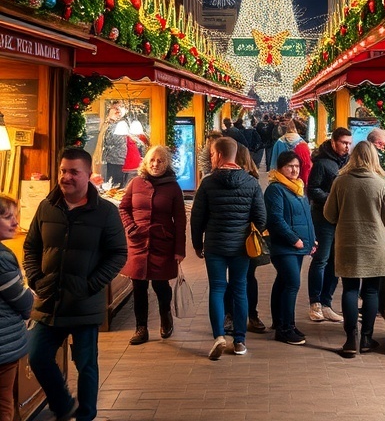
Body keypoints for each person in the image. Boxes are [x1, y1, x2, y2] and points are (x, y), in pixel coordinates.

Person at [24, 146, 127, 421]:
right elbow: (31, 246)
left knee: (86, 366)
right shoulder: (47, 206)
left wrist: (91, 285)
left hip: (84, 303)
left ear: (88, 175)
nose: (65, 177)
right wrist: (35, 278)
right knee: (37, 356)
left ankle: (86, 415)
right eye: (62, 171)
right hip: (49, 302)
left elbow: (118, 253)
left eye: (73, 172)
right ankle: (62, 404)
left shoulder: (104, 212)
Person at [190, 136, 266, 359]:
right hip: (242, 247)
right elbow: (261, 218)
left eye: (212, 154)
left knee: (217, 288)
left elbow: (197, 217)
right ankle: (240, 341)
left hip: (215, 245)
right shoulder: (251, 182)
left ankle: (219, 337)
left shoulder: (208, 182)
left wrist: (197, 243)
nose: (211, 158)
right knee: (239, 289)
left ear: (220, 155)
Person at [324, 141, 385, 357]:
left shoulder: (340, 182)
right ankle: (367, 338)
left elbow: (329, 215)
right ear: (374, 158)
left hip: (347, 243)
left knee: (349, 290)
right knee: (371, 291)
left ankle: (350, 340)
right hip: (375, 245)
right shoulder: (382, 184)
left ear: (353, 157)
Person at [119, 144, 186, 346]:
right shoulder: (135, 183)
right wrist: (130, 227)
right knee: (138, 285)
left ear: (167, 164)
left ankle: (165, 314)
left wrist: (179, 249)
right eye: (152, 161)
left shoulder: (173, 187)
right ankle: (141, 328)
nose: (155, 164)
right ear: (145, 162)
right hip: (138, 241)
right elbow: (124, 207)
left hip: (162, 242)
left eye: (160, 161)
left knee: (160, 284)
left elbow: (180, 220)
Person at [265, 150, 315, 345]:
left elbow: (306, 216)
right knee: (292, 283)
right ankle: (286, 329)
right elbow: (275, 219)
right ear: (280, 168)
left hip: (298, 245)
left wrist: (312, 240)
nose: (294, 170)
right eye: (289, 166)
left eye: (296, 166)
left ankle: (280, 323)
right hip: (284, 246)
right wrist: (294, 239)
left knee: (283, 282)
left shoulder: (299, 187)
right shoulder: (275, 190)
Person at [307, 126, 352, 323]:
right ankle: (315, 303)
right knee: (321, 259)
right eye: (343, 143)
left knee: (336, 261)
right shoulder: (322, 163)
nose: (347, 147)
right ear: (333, 142)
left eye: (349, 143)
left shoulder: (348, 162)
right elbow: (312, 189)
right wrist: (332, 199)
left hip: (341, 219)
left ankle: (327, 303)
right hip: (323, 218)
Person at [223, 144, 266, 335]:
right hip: (244, 237)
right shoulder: (252, 180)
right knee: (246, 278)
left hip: (238, 237)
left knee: (238, 279)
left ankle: (234, 315)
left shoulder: (252, 180)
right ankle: (246, 315)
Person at [0, 194, 34, 421]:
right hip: (4, 344)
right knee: (4, 403)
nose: (15, 222)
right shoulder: (2, 258)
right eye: (7, 217)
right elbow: (22, 301)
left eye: (15, 216)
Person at [270, 119, 312, 186]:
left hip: (281, 180)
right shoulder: (303, 144)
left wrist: (272, 180)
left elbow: (274, 163)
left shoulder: (279, 142)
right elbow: (307, 165)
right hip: (298, 181)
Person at [96, 101, 128, 186]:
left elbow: (113, 140)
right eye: (114, 108)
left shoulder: (121, 124)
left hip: (118, 161)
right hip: (110, 161)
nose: (117, 111)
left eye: (119, 108)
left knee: (116, 186)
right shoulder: (108, 124)